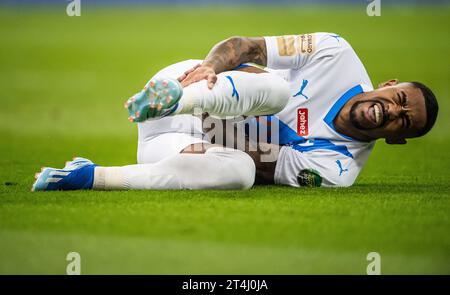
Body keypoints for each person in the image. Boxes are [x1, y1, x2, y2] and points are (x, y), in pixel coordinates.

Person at [31, 33, 438, 191]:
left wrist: (203, 146)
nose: (393, 112)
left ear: (398, 138)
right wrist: (208, 68)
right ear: (389, 85)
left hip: (177, 144)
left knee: (240, 172)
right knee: (277, 89)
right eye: (400, 100)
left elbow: (263, 163)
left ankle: (88, 175)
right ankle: (172, 99)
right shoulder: (336, 52)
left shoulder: (337, 170)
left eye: (405, 120)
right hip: (190, 85)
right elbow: (247, 47)